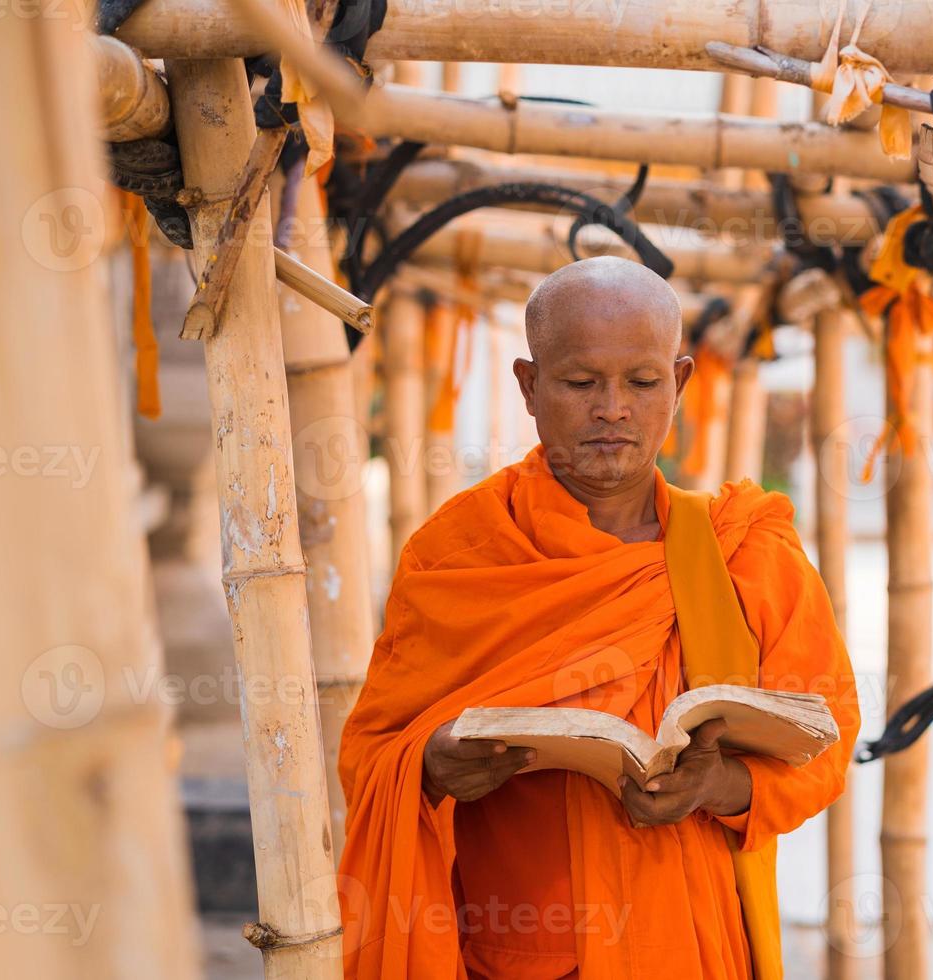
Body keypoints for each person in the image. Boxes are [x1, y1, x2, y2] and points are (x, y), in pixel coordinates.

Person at [338, 256, 859, 979]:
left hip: (693, 948)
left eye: (642, 383)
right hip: (518, 951)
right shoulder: (460, 551)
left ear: (678, 382)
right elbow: (371, 756)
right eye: (581, 382)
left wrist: (715, 787)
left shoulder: (744, 549)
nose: (612, 407)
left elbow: (827, 742)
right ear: (529, 386)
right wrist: (431, 762)